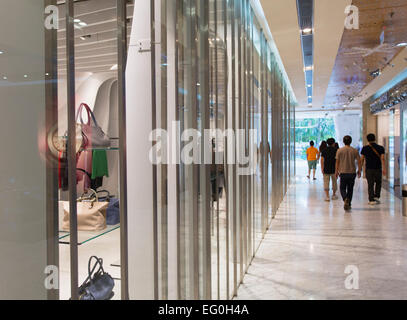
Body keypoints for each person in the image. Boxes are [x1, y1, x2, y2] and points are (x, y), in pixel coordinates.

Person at [335, 135, 361, 211]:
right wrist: (359, 170)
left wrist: (336, 171)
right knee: (350, 189)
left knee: (342, 188)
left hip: (343, 172)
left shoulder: (339, 150)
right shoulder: (354, 150)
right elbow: (359, 161)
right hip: (352, 172)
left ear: (343, 141)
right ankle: (349, 203)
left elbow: (337, 162)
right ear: (351, 141)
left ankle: (345, 198)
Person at [360, 134, 386, 205]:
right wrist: (384, 168)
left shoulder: (365, 148)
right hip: (378, 168)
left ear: (367, 139)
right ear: (375, 138)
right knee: (378, 182)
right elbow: (382, 159)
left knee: (370, 184)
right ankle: (377, 196)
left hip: (369, 169)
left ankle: (371, 199)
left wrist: (359, 169)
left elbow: (362, 159)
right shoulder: (381, 148)